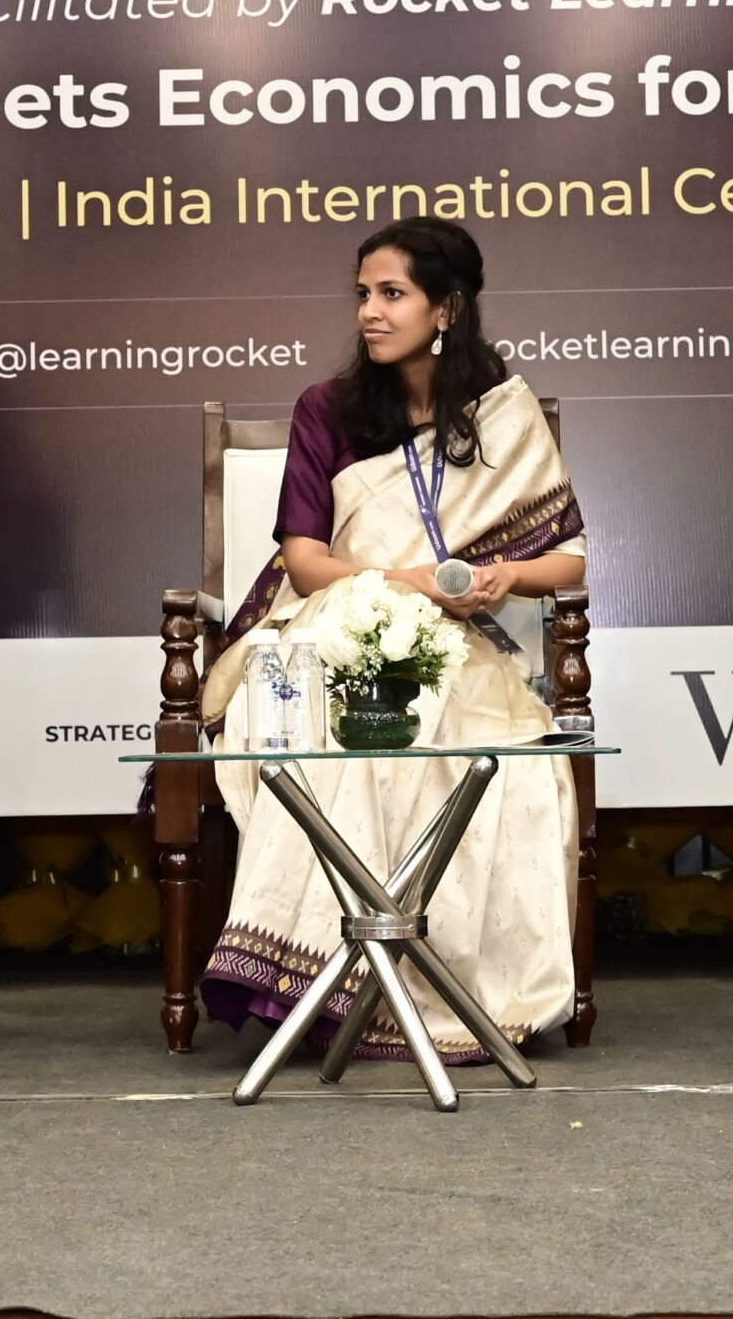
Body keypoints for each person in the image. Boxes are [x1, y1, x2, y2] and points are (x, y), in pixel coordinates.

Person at [199, 217, 587, 1063]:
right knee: (351, 729)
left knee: (503, 759)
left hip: (459, 640)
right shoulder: (327, 410)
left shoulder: (502, 414)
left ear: (446, 308)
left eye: (392, 294)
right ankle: (322, 981)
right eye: (363, 295)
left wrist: (504, 577)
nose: (369, 312)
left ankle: (454, 987)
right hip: (336, 626)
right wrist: (403, 582)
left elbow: (568, 560)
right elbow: (305, 563)